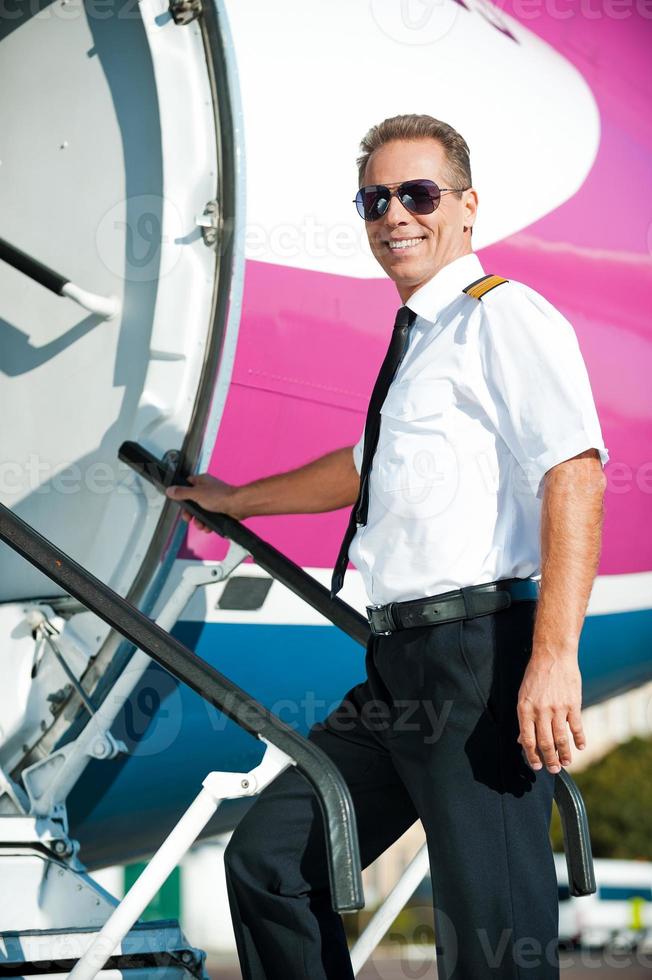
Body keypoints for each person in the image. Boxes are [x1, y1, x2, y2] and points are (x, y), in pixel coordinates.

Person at [166, 114, 609, 979]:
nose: (395, 216)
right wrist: (232, 500)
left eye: (418, 194)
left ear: (468, 206)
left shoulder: (502, 318)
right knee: (270, 861)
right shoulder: (422, 341)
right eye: (376, 199)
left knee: (493, 940)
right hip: (397, 667)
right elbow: (359, 469)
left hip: (480, 663)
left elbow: (576, 471)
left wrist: (554, 657)